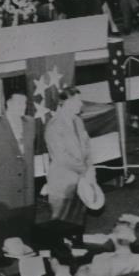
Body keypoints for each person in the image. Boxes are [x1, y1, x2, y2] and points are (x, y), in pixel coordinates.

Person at [0, 91, 36, 249]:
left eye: (24, 104)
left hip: (25, 186)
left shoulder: (31, 123)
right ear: (8, 104)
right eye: (18, 103)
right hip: (3, 187)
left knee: (23, 226)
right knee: (0, 227)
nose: (22, 107)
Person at [44, 87, 94, 226]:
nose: (81, 104)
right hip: (63, 183)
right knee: (61, 223)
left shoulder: (78, 121)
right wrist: (84, 169)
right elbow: (62, 158)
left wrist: (90, 170)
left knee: (78, 221)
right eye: (78, 101)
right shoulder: (54, 126)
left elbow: (87, 147)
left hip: (81, 181)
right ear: (66, 103)